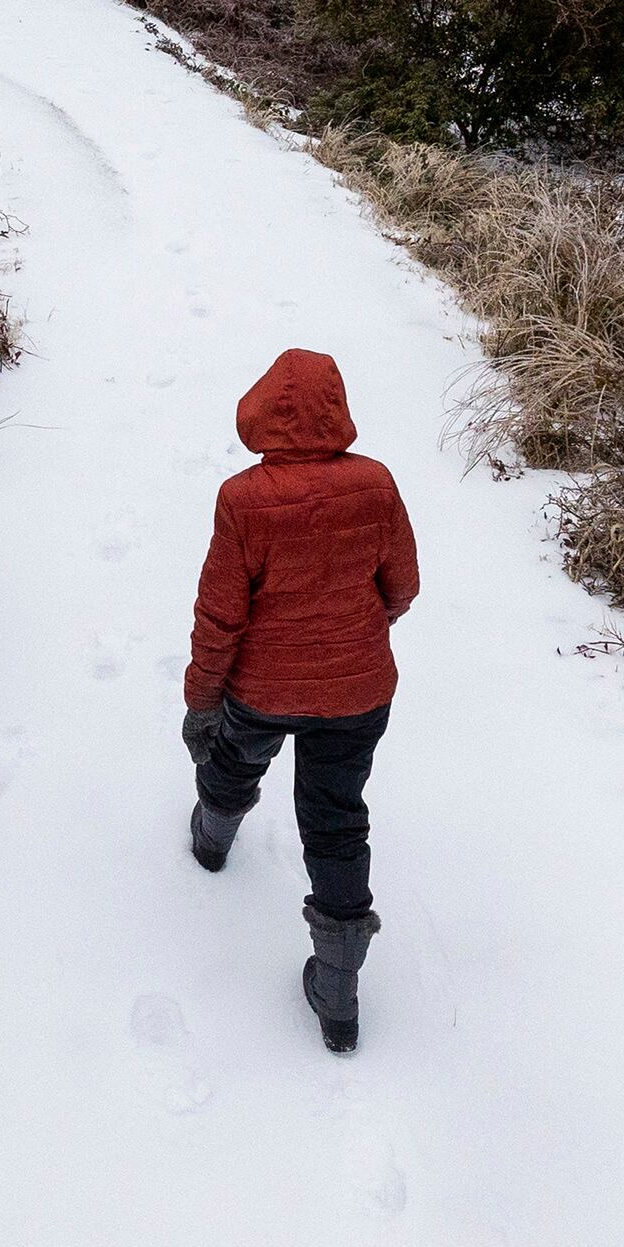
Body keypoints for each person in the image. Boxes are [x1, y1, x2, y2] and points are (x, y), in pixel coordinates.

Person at [180, 348, 420, 1054]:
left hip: (261, 688)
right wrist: (364, 630)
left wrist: (202, 695)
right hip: (358, 691)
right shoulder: (375, 484)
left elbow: (221, 614)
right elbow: (401, 585)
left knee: (232, 757)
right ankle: (339, 991)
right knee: (337, 818)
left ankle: (211, 840)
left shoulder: (242, 500)